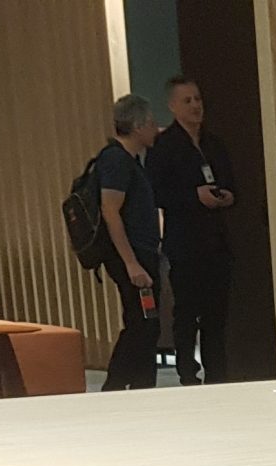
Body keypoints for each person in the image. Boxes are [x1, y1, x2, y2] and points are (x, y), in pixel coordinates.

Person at [147, 76, 239, 386]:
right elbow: (156, 193)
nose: (196, 106)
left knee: (216, 315)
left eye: (198, 99)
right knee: (187, 313)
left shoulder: (214, 143)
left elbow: (231, 183)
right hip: (185, 244)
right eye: (187, 101)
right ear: (172, 106)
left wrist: (227, 196)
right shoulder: (164, 146)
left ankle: (218, 376)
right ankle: (188, 373)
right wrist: (193, 196)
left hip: (216, 242)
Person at [95, 94, 163, 390]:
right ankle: (114, 389)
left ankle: (141, 389)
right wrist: (132, 263)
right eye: (151, 123)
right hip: (132, 256)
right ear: (137, 126)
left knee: (147, 325)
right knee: (142, 324)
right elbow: (110, 211)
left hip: (142, 253)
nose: (156, 129)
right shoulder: (116, 160)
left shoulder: (131, 161)